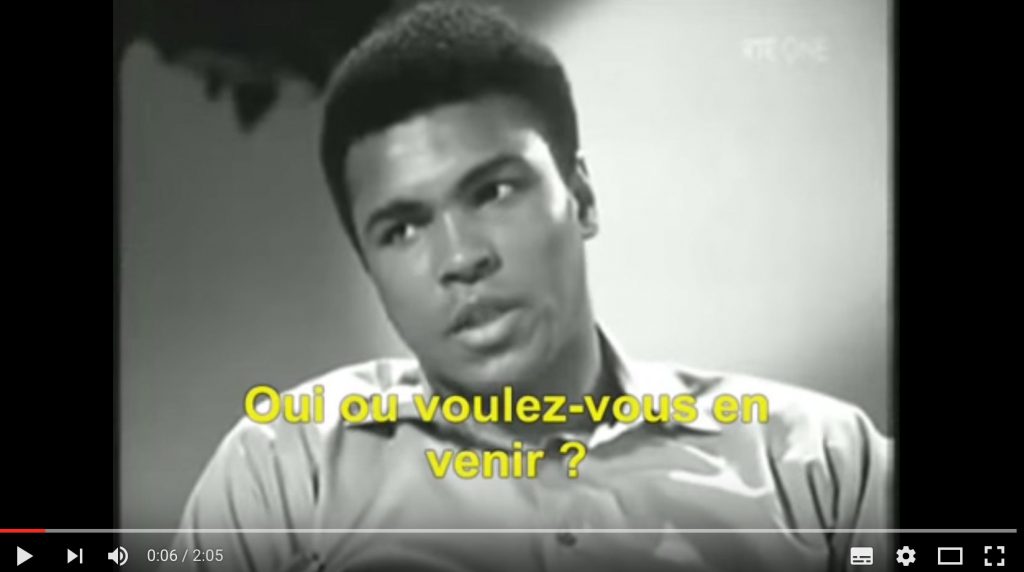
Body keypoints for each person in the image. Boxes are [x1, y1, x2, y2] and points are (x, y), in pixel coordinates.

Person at [167, 2, 892, 571]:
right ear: (369, 265)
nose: (460, 258)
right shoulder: (284, 473)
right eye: (402, 229)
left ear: (582, 199)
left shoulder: (819, 466)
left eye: (492, 192)